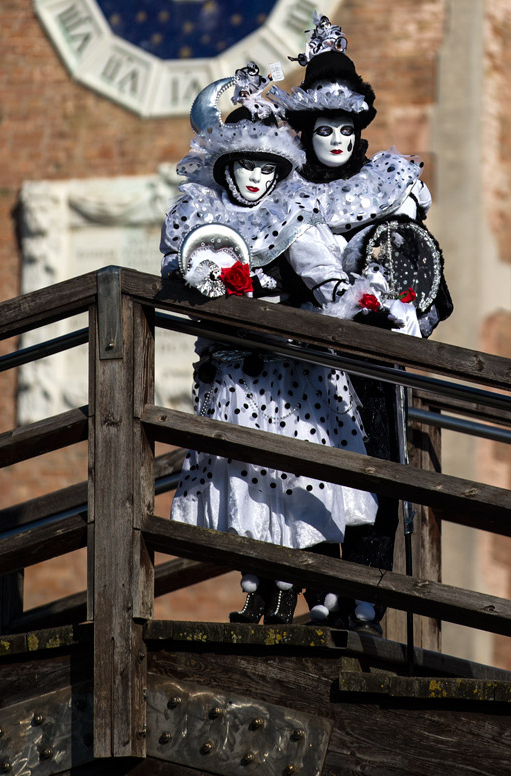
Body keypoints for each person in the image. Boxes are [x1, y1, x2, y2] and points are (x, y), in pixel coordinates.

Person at [162, 63, 386, 626]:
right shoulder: (199, 213)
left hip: (292, 377)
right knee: (241, 478)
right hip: (234, 377)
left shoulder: (294, 216)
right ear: (228, 167)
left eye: (267, 166)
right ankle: (257, 588)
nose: (258, 177)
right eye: (248, 165)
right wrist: (202, 280)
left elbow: (325, 278)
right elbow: (175, 268)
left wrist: (353, 303)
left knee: (291, 479)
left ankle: (287, 590)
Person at [274, 16, 452, 634]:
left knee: (378, 466)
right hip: (310, 363)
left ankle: (369, 599)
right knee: (313, 470)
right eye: (325, 129)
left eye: (346, 129)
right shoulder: (286, 192)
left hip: (374, 357)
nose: (338, 140)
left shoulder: (390, 185)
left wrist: (398, 309)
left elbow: (419, 267)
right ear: (307, 131)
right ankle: (323, 590)